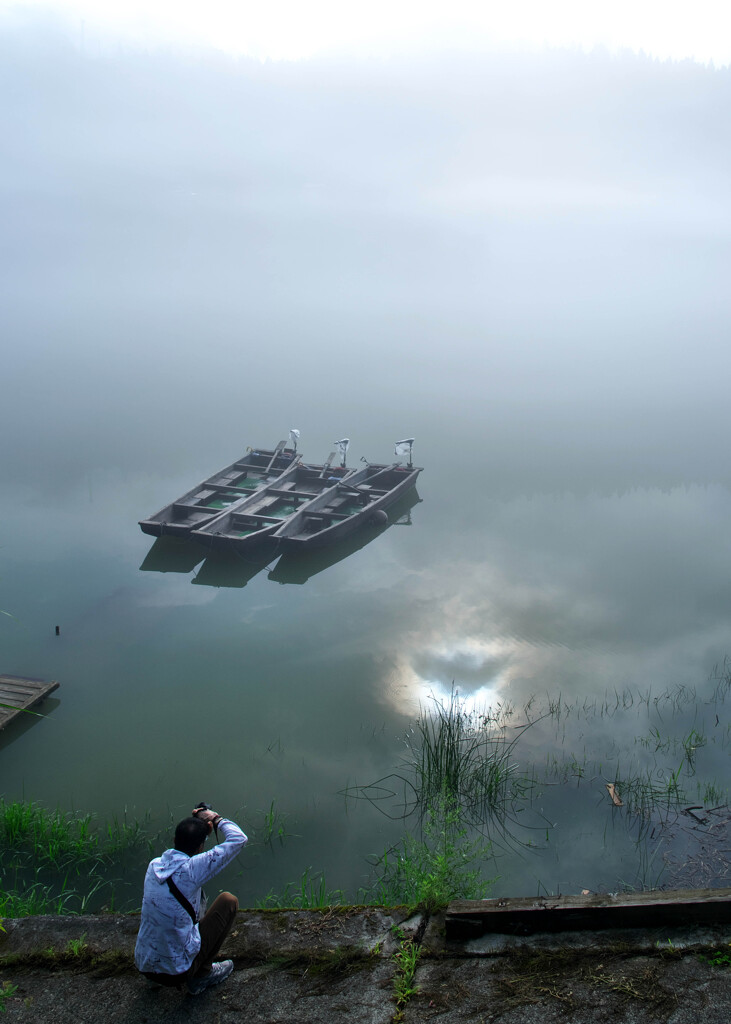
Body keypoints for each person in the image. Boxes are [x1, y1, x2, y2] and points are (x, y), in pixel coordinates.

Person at [134, 805, 247, 996]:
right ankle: (202, 975)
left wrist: (199, 830)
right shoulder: (192, 870)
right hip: (178, 971)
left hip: (144, 963)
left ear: (175, 840)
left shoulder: (154, 865)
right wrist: (215, 818)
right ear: (201, 846)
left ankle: (153, 979)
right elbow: (239, 839)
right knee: (228, 901)